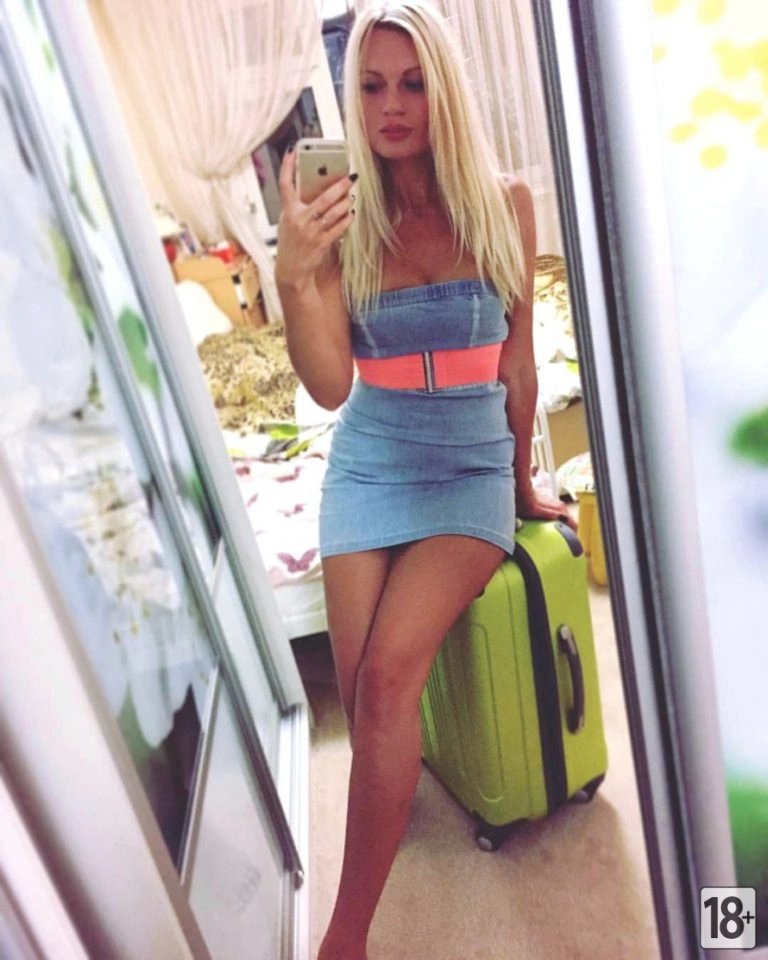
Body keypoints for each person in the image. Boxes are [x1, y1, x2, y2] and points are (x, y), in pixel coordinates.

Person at [275, 3, 574, 957]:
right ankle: (391, 793)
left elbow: (518, 366)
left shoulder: (503, 203)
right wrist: (293, 276)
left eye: (411, 83)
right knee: (363, 692)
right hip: (371, 455)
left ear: (443, 88)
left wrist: (522, 482)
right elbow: (329, 388)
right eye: (371, 86)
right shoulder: (345, 219)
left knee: (387, 680)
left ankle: (344, 936)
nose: (391, 106)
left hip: (468, 462)